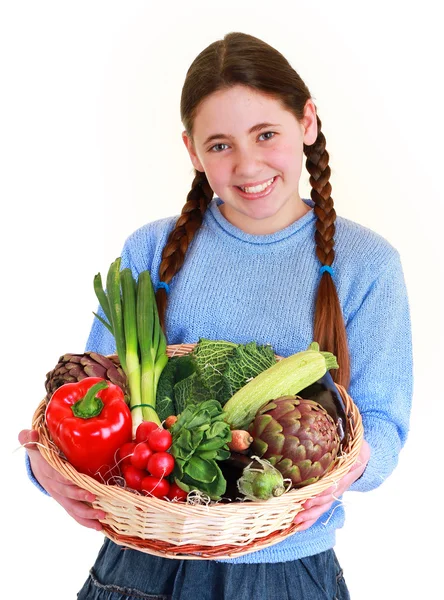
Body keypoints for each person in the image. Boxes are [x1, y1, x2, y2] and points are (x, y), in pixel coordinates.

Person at [19, 31, 412, 599]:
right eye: (220, 144)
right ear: (192, 151)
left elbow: (383, 423)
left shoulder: (365, 264)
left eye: (266, 134)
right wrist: (45, 469)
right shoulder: (151, 251)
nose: (248, 164)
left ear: (307, 123)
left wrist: (352, 464)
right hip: (141, 564)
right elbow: (86, 399)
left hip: (288, 571)